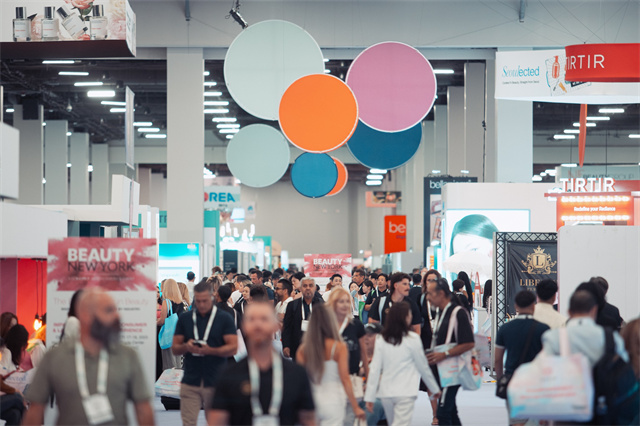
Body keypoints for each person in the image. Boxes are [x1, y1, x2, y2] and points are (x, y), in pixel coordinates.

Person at [22, 289, 154, 425]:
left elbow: (143, 408)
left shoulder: (128, 356)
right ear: (86, 315)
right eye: (109, 310)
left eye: (116, 310)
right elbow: (35, 411)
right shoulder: (54, 357)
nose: (117, 316)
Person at [207, 301, 316, 425]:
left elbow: (309, 420)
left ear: (276, 326)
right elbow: (216, 421)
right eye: (251, 319)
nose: (257, 325)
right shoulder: (228, 375)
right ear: (244, 326)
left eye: (264, 319)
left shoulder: (297, 374)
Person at [172, 279, 238, 426]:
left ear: (212, 297)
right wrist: (186, 347)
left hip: (216, 380)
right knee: (188, 423)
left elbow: (233, 348)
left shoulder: (224, 318)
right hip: (190, 380)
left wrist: (211, 350)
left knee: (216, 423)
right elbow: (175, 348)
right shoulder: (185, 318)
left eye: (205, 301)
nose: (201, 305)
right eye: (198, 301)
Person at [365, 302, 441, 426]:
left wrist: (369, 396)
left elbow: (375, 369)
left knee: (393, 422)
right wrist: (434, 388)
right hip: (406, 391)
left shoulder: (382, 338)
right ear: (405, 317)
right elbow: (423, 367)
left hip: (386, 391)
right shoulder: (413, 339)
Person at [296, 304, 366, 425]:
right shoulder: (339, 347)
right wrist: (355, 406)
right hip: (334, 400)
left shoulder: (303, 350)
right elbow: (345, 378)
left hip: (311, 401)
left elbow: (301, 382)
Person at [494, 291, 550, 426]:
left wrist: (501, 379)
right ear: (533, 306)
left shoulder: (505, 328)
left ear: (516, 306)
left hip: (513, 380)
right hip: (537, 381)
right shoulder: (543, 329)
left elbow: (497, 359)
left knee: (517, 421)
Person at [426, 277, 475, 426]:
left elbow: (469, 343)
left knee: (443, 413)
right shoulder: (441, 312)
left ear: (441, 294)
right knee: (451, 412)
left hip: (453, 370)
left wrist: (444, 354)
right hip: (443, 370)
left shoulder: (458, 313)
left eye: (430, 293)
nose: (427, 297)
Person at [542, 289, 628, 368]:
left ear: (569, 312)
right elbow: (625, 368)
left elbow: (543, 368)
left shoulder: (553, 337)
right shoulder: (612, 338)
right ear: (594, 310)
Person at [327, 287, 369, 424]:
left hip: (352, 378)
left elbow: (364, 354)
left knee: (349, 419)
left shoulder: (356, 325)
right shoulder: (326, 326)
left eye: (347, 301)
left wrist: (368, 379)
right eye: (341, 301)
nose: (345, 305)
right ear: (333, 303)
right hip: (331, 379)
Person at [282, 277, 324, 360]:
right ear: (300, 288)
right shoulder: (292, 305)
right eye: (305, 286)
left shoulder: (322, 305)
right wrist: (286, 345)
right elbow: (287, 327)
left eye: (310, 286)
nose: (308, 288)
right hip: (297, 347)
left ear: (315, 288)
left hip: (317, 348)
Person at [160, 278, 185, 370]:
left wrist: (155, 322)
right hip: (179, 335)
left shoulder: (166, 302)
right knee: (178, 364)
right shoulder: (181, 303)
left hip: (169, 335)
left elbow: (162, 320)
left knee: (169, 364)